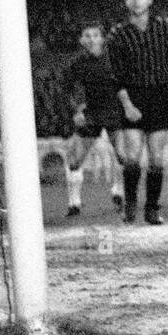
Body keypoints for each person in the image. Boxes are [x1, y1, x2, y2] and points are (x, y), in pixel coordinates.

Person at [107, 0, 168, 225]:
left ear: (150, 0)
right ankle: (130, 203)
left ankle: (152, 209)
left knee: (156, 158)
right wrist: (127, 105)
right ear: (126, 2)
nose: (136, 1)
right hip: (132, 95)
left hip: (160, 95)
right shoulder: (118, 33)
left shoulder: (165, 26)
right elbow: (115, 75)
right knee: (132, 156)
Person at [61, 21, 125, 217]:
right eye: (87, 36)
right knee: (74, 159)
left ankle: (118, 190)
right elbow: (66, 90)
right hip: (91, 113)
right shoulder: (77, 63)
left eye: (95, 35)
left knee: (123, 155)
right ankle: (74, 203)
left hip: (115, 110)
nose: (91, 39)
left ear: (102, 39)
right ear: (81, 40)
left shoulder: (114, 59)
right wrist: (76, 110)